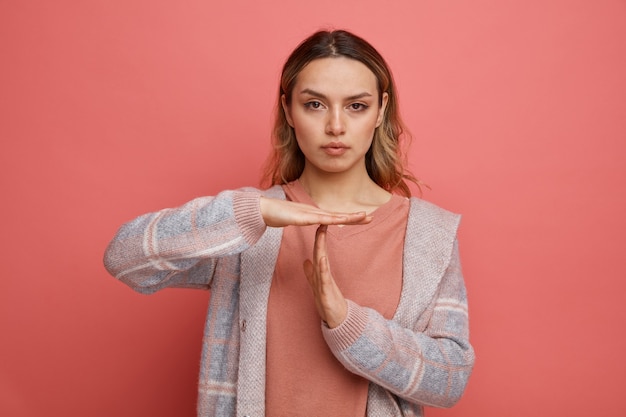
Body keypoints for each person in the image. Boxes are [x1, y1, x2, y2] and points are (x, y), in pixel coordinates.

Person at [104, 29, 475, 417]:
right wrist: (252, 213)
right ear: (288, 110)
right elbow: (125, 258)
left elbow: (450, 379)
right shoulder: (247, 227)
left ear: (381, 110)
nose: (335, 126)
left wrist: (347, 322)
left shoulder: (429, 233)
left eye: (356, 106)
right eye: (315, 104)